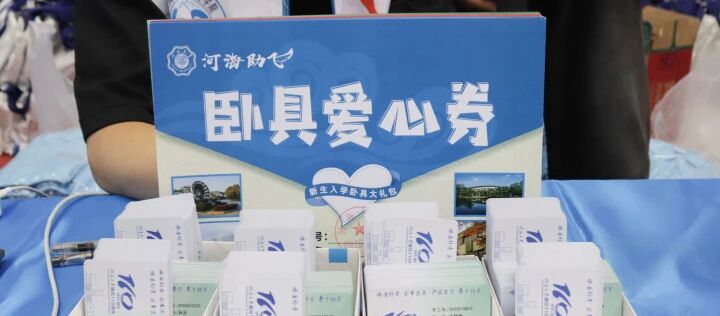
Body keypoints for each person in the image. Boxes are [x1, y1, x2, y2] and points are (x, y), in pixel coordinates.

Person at [74, 0, 649, 199]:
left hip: (435, 224)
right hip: (235, 227)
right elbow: (115, 134)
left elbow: (602, 151)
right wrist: (290, 186)